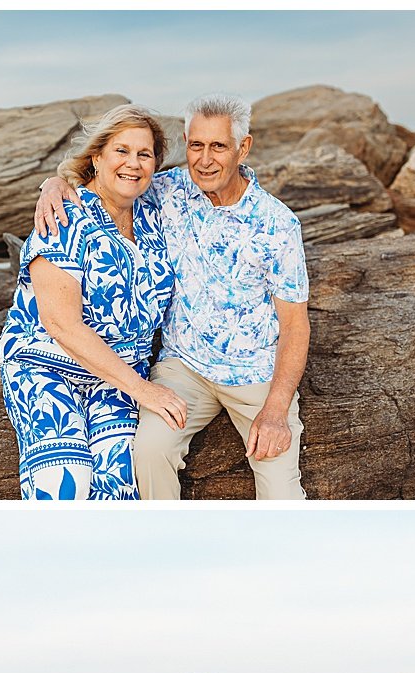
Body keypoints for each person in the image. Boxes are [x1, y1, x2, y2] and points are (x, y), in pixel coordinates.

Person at [38, 94, 310, 500]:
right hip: (183, 369)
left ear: (243, 147)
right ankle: (163, 548)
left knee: (281, 494)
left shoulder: (278, 225)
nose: (204, 159)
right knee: (147, 453)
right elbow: (111, 180)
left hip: (254, 374)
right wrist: (55, 184)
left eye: (218, 146)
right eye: (196, 145)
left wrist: (275, 410)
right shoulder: (167, 190)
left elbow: (294, 324)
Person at [0, 104, 183, 500]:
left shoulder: (153, 210)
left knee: (119, 487)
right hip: (48, 363)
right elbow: (61, 324)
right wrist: (145, 391)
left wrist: (53, 179)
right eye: (121, 151)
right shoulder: (65, 216)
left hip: (117, 372)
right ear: (97, 156)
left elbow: (212, 173)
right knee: (68, 481)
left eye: (144, 154)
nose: (133, 164)